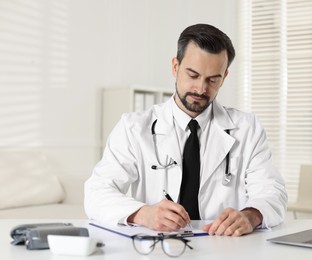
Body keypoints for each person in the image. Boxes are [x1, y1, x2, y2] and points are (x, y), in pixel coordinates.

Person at [84, 23, 287, 237]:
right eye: (193, 75)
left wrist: (251, 215)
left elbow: (272, 191)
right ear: (175, 67)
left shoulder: (247, 128)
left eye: (212, 80)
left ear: (224, 77)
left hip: (225, 247)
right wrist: (144, 214)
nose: (201, 89)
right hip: (158, 249)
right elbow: (96, 193)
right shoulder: (133, 128)